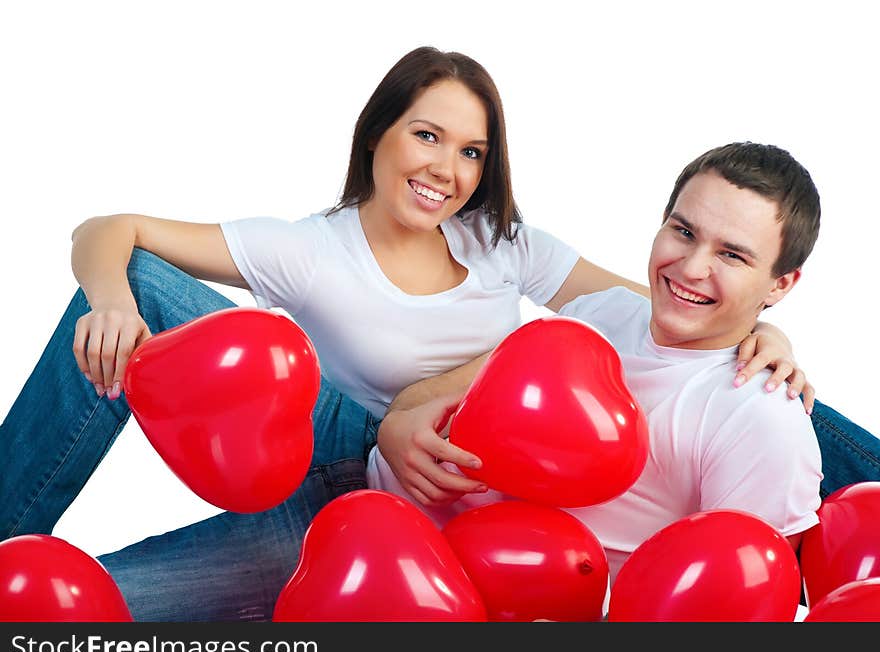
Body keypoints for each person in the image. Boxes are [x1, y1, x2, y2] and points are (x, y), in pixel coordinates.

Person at [0, 47, 871, 621]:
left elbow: (676, 325)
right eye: (427, 135)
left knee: (95, 616)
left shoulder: (513, 251)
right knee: (128, 300)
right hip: (327, 438)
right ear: (379, 131)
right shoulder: (308, 248)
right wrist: (111, 300)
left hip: (404, 538)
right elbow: (113, 232)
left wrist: (772, 341)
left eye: (472, 152)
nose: (447, 170)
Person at [370, 141, 834, 589]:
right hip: (369, 499)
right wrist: (397, 428)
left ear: (780, 286)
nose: (691, 267)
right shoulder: (604, 312)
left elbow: (736, 600)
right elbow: (429, 394)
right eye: (684, 231)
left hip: (427, 588)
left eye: (731, 255)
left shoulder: (760, 420)